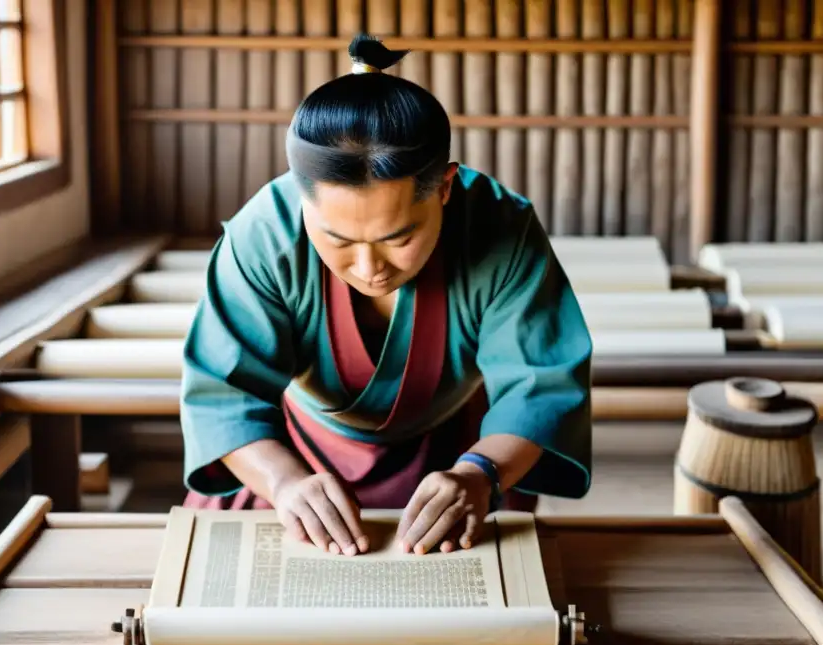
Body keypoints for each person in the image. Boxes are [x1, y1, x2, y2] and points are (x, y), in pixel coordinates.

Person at [180, 34, 592, 557]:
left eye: (399, 238)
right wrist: (283, 482)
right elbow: (223, 395)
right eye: (338, 240)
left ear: (445, 187)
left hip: (459, 452)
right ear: (300, 195)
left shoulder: (499, 228)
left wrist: (481, 474)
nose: (369, 268)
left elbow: (542, 387)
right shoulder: (263, 235)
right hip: (289, 453)